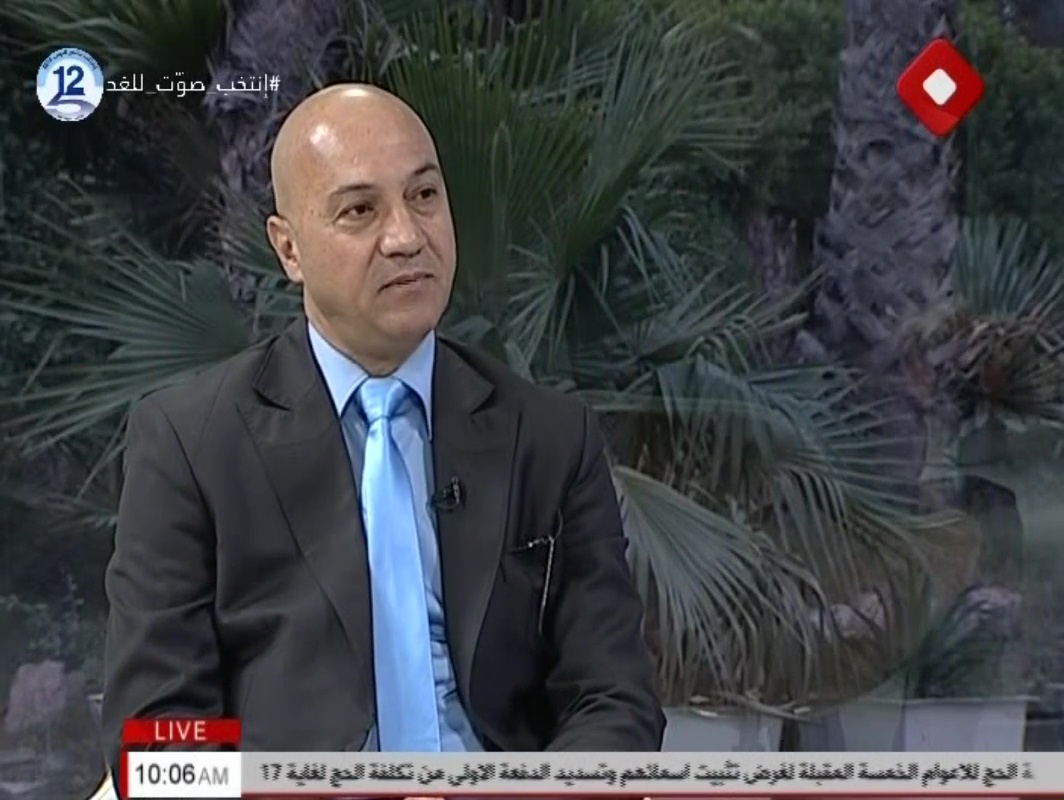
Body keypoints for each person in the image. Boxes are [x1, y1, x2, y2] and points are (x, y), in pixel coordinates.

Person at [100, 83, 664, 791]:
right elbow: (159, 726)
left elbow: (612, 698)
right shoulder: (190, 442)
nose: (407, 237)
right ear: (289, 249)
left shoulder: (550, 436)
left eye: (424, 196)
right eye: (360, 210)